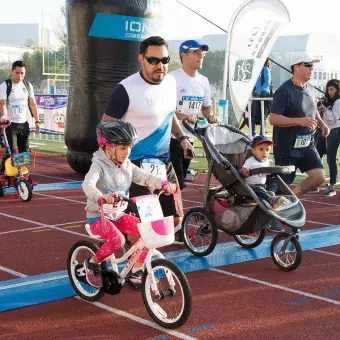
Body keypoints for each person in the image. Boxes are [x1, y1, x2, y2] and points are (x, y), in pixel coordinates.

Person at [102, 36, 194, 244]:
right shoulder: (125, 89)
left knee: (175, 220)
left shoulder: (171, 83)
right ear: (141, 59)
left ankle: (121, 236)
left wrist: (182, 138)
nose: (159, 66)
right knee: (142, 228)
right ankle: (134, 272)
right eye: (153, 60)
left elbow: (170, 116)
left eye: (164, 60)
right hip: (134, 164)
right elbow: (105, 128)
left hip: (164, 163)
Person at [82, 120, 177, 288]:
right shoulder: (98, 165)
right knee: (117, 241)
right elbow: (87, 184)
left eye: (130, 147)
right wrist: (100, 197)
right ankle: (92, 262)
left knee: (148, 234)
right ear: (109, 148)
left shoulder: (126, 165)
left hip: (118, 215)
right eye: (123, 148)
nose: (128, 152)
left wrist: (163, 183)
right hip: (99, 217)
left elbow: (145, 177)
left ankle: (136, 271)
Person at [269, 52, 330, 196]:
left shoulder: (311, 89)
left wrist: (321, 124)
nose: (311, 69)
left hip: (307, 144)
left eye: (312, 66)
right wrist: (298, 121)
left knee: (319, 177)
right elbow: (273, 119)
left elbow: (313, 110)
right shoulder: (284, 90)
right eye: (308, 65)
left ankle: (291, 197)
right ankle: (269, 206)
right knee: (282, 187)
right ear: (296, 67)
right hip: (286, 147)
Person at [169, 40, 218, 189]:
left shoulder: (203, 81)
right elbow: (165, 109)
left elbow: (206, 108)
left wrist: (211, 116)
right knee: (176, 183)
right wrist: (183, 116)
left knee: (181, 182)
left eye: (202, 53)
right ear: (184, 55)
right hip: (171, 138)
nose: (200, 56)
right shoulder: (172, 78)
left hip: (191, 137)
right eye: (196, 52)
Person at [0, 60, 41, 153]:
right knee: (11, 153)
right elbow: (2, 104)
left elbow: (33, 104)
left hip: (24, 125)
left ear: (25, 72)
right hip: (10, 125)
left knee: (24, 154)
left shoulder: (28, 85)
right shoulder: (5, 85)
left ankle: (22, 168)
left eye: (22, 73)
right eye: (17, 73)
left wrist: (37, 121)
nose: (19, 76)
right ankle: (4, 167)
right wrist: (4, 116)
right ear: (12, 71)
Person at [320, 79, 340, 196]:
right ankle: (332, 183)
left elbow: (333, 119)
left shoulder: (337, 102)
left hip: (335, 130)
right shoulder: (332, 101)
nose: (329, 92)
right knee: (331, 158)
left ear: (337, 90)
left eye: (332, 89)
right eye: (328, 89)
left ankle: (332, 186)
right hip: (333, 130)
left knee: (331, 159)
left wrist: (324, 108)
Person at [250, 59, 272, 136]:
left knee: (263, 115)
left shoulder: (265, 69)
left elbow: (267, 82)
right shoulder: (257, 69)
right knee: (253, 114)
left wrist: (259, 90)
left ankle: (262, 134)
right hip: (256, 94)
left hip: (264, 94)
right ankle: (252, 134)